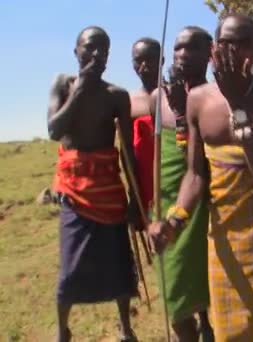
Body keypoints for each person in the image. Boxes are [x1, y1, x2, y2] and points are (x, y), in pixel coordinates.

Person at [148, 15, 253, 341]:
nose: (233, 51)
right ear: (214, 50)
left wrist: (237, 105)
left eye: (243, 43)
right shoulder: (199, 100)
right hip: (223, 239)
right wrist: (174, 220)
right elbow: (195, 175)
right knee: (231, 330)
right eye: (226, 43)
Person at [47, 26, 139, 342]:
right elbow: (55, 130)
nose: (97, 55)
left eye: (104, 49)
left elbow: (128, 151)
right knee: (70, 269)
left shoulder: (117, 96)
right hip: (73, 190)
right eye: (90, 48)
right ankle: (63, 331)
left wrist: (136, 202)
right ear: (76, 51)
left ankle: (126, 328)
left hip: (109, 191)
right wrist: (81, 89)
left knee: (118, 264)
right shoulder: (62, 84)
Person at [147, 26, 214, 341]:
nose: (182, 55)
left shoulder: (216, 98)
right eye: (177, 48)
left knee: (207, 281)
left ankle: (209, 326)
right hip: (169, 202)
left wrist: (182, 113)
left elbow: (202, 167)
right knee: (174, 286)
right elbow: (159, 155)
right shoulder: (156, 100)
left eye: (191, 48)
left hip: (206, 203)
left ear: (209, 53)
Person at [130, 37, 162, 213]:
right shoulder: (129, 102)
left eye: (150, 59)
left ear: (162, 60)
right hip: (144, 181)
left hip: (176, 176)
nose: (144, 65)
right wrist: (134, 195)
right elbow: (126, 152)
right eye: (138, 60)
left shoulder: (178, 96)